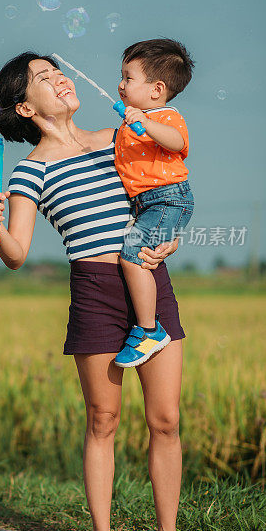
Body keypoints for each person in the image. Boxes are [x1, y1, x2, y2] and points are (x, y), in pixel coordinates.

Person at [0, 51, 208, 531]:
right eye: (43, 77)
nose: (59, 78)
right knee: (103, 419)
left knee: (166, 419)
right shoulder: (29, 170)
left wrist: (168, 239)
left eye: (56, 70)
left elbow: (167, 191)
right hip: (94, 291)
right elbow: (17, 254)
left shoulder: (119, 138)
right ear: (23, 105)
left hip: (148, 281)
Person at [113, 38, 195, 369]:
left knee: (132, 256)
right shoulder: (131, 124)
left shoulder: (166, 116)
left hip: (168, 198)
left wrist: (146, 123)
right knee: (139, 256)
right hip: (151, 203)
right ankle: (147, 327)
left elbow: (178, 142)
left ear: (156, 89)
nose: (120, 85)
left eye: (128, 77)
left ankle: (149, 330)